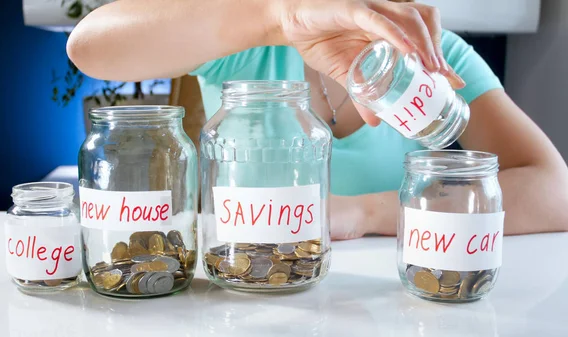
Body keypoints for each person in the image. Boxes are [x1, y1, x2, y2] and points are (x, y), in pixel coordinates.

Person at [67, 0, 568, 239]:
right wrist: (275, 19)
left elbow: (554, 190)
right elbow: (89, 45)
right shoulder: (247, 43)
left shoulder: (435, 59)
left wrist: (368, 213)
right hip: (243, 291)